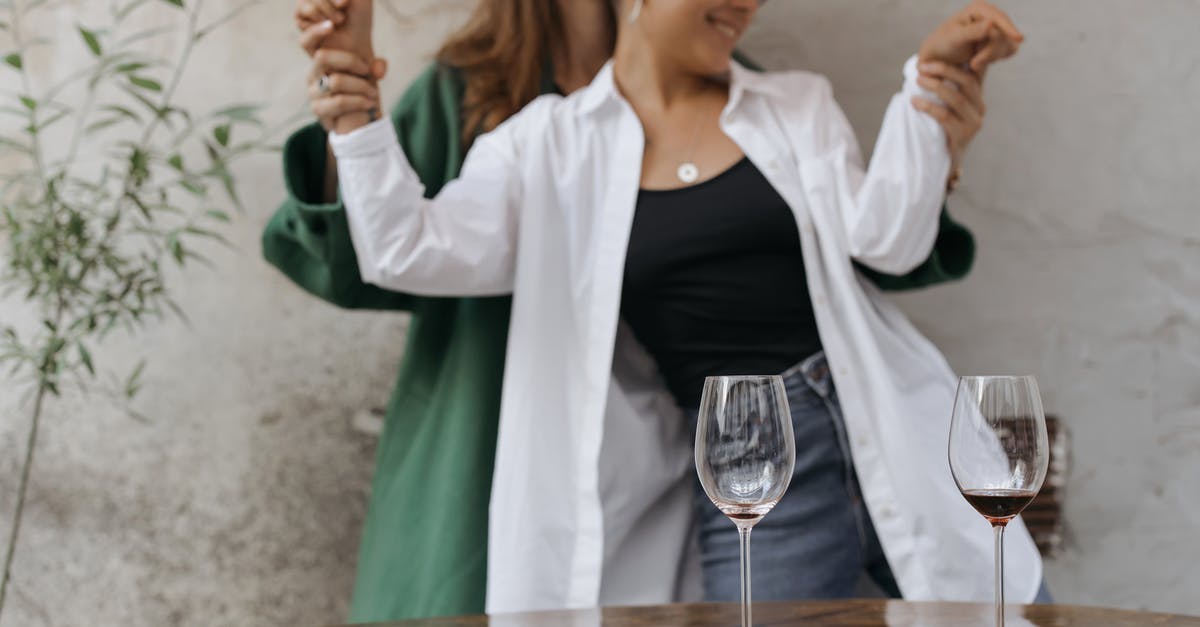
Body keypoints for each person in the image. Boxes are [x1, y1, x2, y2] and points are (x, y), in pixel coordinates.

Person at [282, 0, 1040, 616]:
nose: (748, 5)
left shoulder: (793, 104)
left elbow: (890, 240)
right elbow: (405, 251)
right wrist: (355, 117)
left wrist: (928, 94)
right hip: (752, 460)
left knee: (1006, 609)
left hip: (896, 421)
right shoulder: (547, 145)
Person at [262, 0, 616, 621]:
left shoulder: (717, 87)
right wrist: (349, 114)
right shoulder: (468, 88)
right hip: (474, 430)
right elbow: (366, 260)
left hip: (643, 450)